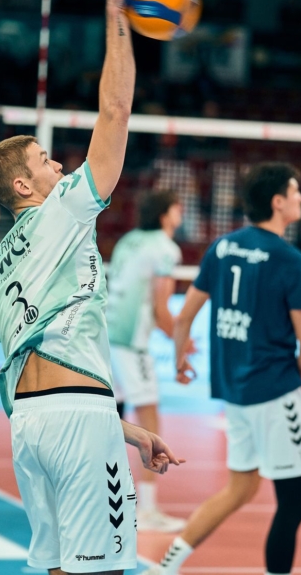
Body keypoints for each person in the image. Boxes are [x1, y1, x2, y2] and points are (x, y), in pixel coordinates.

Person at [0, 0, 181, 575]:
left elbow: (46, 361)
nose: (60, 166)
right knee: (104, 570)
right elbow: (115, 111)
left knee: (59, 567)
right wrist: (116, 8)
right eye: (45, 160)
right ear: (23, 185)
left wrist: (126, 429)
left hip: (30, 426)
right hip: (77, 416)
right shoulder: (61, 211)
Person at [150, 163, 301, 575]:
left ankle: (167, 565)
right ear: (277, 202)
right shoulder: (292, 261)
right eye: (295, 191)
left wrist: (180, 359)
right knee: (295, 500)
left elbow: (184, 316)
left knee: (240, 488)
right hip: (276, 390)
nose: (300, 198)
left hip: (235, 393)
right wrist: (298, 390)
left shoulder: (222, 247)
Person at [106, 190, 187, 532]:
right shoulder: (165, 248)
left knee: (108, 421)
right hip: (131, 344)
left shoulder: (129, 240)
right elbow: (160, 308)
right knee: (149, 419)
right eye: (177, 207)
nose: (181, 212)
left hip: (105, 336)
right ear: (166, 214)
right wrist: (183, 345)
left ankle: (101, 500)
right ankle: (148, 509)